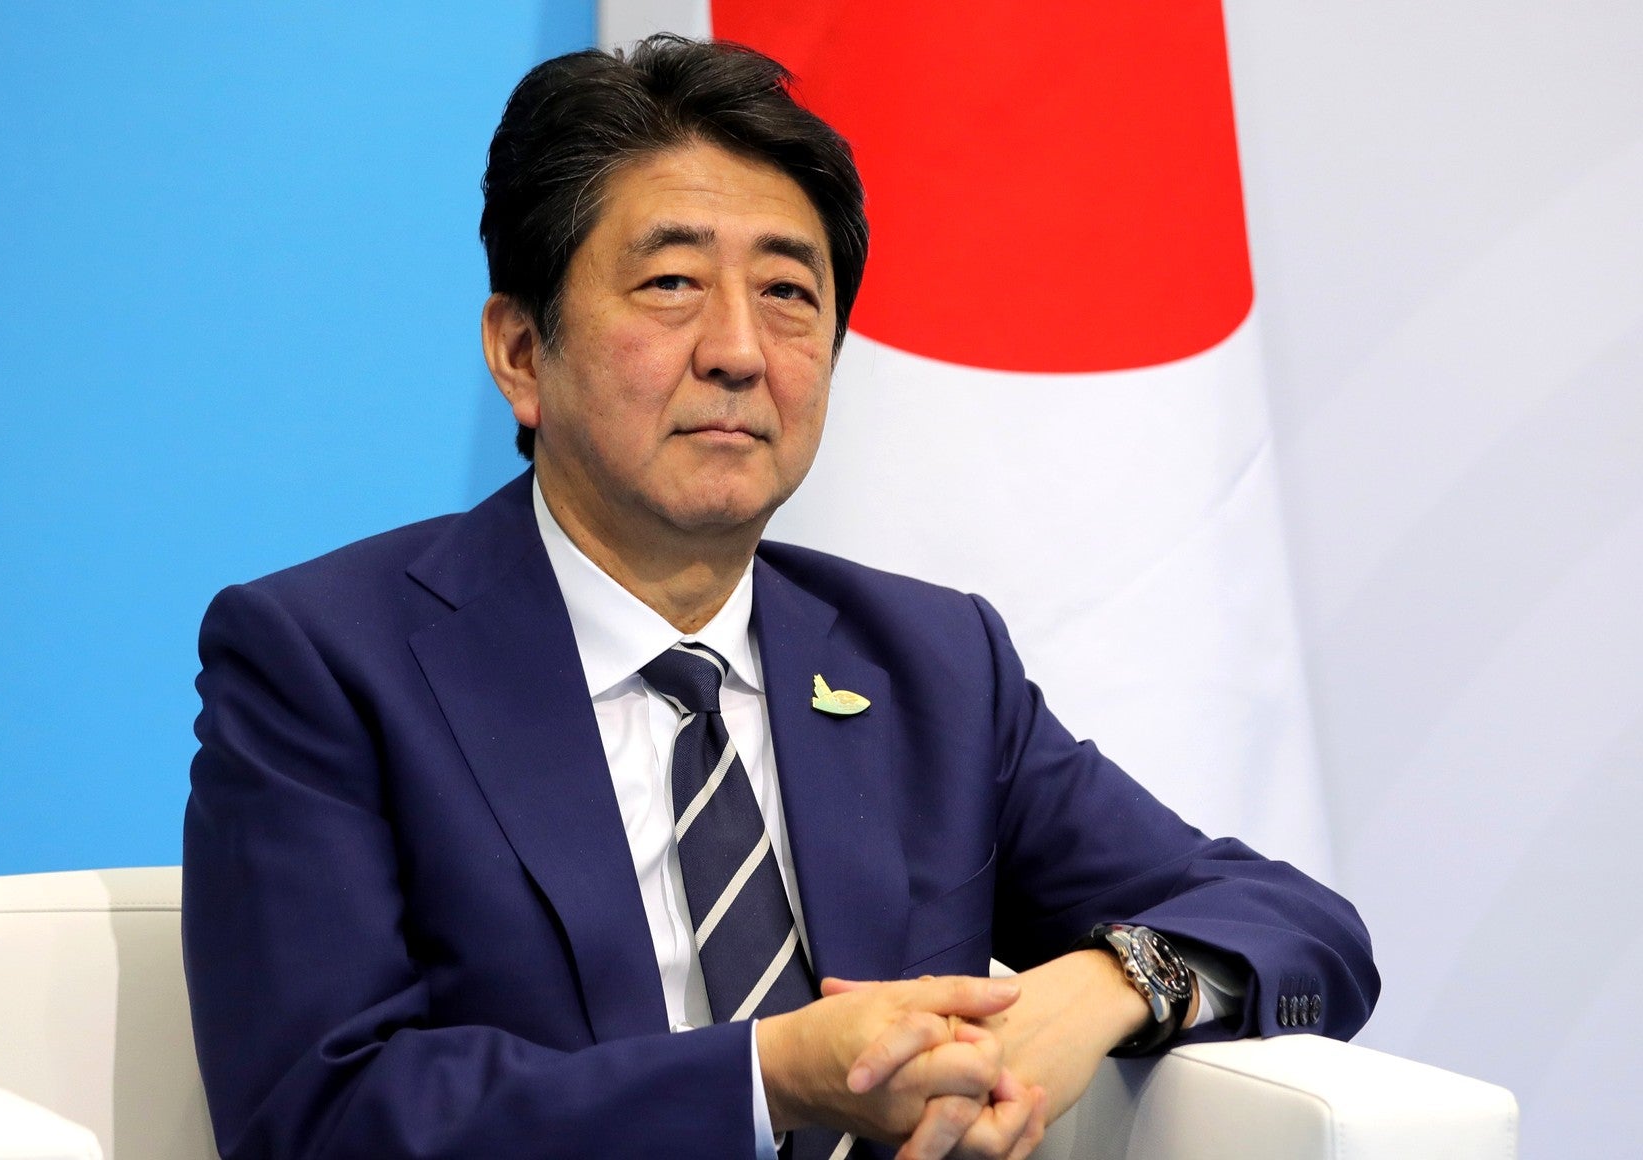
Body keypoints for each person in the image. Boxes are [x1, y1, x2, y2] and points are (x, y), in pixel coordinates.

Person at [182, 35, 1379, 1160]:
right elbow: (320, 1113)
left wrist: (1108, 982)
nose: (739, 350)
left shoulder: (930, 663)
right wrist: (765, 1075)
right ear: (519, 351)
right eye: (668, 283)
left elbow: (1292, 919)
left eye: (789, 294)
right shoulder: (325, 660)